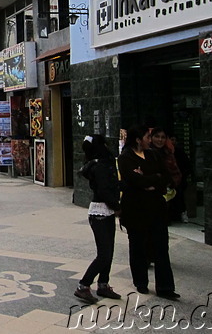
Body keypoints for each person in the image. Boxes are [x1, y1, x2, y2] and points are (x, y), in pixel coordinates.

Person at [118, 124, 179, 300]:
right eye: (147, 137)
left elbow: (165, 176)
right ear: (138, 139)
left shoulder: (153, 154)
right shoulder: (125, 157)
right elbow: (133, 180)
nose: (150, 140)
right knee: (137, 246)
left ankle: (165, 287)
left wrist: (150, 179)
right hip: (135, 209)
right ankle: (141, 282)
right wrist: (149, 179)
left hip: (156, 208)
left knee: (161, 247)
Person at [74, 135, 122, 304]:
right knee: (104, 254)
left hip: (105, 212)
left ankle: (103, 284)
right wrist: (116, 206)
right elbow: (104, 190)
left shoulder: (99, 164)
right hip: (100, 212)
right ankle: (83, 286)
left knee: (109, 250)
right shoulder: (99, 166)